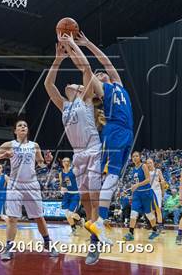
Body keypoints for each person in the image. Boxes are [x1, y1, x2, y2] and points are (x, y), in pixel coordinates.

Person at [45, 35, 103, 264]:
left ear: (80, 90)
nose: (69, 84)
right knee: (86, 200)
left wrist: (73, 46)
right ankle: (93, 234)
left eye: (75, 84)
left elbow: (86, 67)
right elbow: (48, 85)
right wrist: (58, 59)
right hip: (78, 153)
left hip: (93, 149)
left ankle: (95, 242)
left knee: (95, 199)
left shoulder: (86, 99)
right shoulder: (64, 104)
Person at [73, 31, 134, 245]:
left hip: (128, 132)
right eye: (98, 75)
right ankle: (98, 220)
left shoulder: (118, 83)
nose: (102, 73)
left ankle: (100, 222)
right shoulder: (103, 89)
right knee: (109, 176)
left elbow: (106, 61)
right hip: (115, 130)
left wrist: (88, 42)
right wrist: (73, 45)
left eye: (102, 73)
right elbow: (87, 69)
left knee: (115, 178)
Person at [0, 120, 58, 260]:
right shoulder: (9, 145)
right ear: (15, 131)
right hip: (15, 184)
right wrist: (4, 155)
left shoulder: (34, 145)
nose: (23, 127)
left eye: (25, 125)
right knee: (13, 218)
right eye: (19, 125)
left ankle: (48, 243)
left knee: (39, 217)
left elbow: (41, 163)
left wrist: (47, 161)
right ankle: (8, 248)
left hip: (32, 184)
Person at [122, 152, 161, 242]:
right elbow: (135, 182)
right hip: (137, 194)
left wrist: (137, 185)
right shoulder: (133, 169)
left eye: (137, 156)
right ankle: (130, 233)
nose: (135, 158)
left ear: (140, 158)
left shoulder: (143, 166)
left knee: (148, 214)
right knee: (133, 213)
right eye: (133, 156)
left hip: (146, 193)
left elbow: (148, 180)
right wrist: (132, 187)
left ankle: (155, 230)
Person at [58, 157, 83, 235]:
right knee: (66, 214)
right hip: (67, 195)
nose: (65, 162)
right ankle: (73, 229)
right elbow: (63, 183)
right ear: (62, 163)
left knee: (71, 213)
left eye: (67, 161)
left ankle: (80, 220)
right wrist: (62, 188)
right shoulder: (61, 173)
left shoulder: (74, 170)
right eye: (64, 161)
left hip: (75, 194)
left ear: (69, 162)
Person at [147, 158, 165, 232]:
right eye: (147, 163)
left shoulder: (158, 171)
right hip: (149, 192)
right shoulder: (145, 172)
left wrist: (163, 191)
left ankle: (160, 226)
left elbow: (162, 180)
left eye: (150, 162)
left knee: (158, 209)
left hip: (157, 192)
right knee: (151, 211)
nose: (149, 164)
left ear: (153, 163)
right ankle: (153, 227)